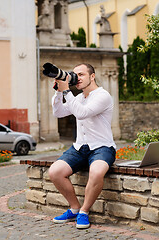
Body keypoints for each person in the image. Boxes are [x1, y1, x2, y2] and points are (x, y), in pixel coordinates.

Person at [49, 63, 116, 229]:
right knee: (55, 172)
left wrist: (67, 91)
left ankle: (84, 212)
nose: (77, 78)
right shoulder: (79, 98)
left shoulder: (103, 96)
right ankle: (74, 208)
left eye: (81, 74)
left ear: (92, 76)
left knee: (96, 171)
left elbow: (82, 113)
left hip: (102, 147)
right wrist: (59, 92)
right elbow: (58, 112)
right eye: (75, 74)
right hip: (80, 148)